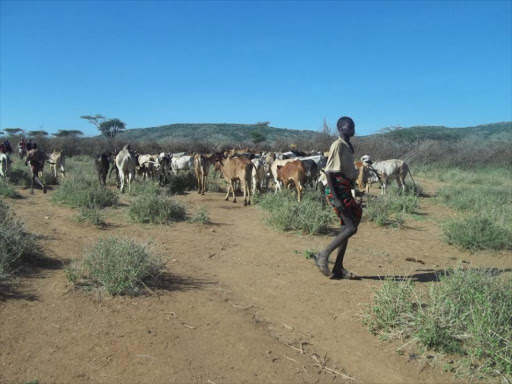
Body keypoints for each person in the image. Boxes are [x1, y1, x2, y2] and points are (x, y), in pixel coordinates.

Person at [314, 116, 362, 279]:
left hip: (345, 187)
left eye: (354, 126)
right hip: (337, 188)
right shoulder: (338, 145)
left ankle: (338, 267)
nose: (353, 129)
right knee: (351, 228)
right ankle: (323, 255)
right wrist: (336, 199)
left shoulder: (348, 146)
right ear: (341, 128)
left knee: (346, 228)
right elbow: (329, 172)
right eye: (350, 127)